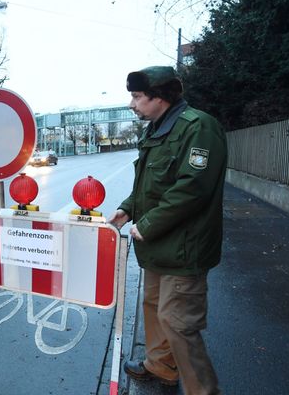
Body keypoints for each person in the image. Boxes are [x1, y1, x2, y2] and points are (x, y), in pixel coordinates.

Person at [107, 66, 226, 395]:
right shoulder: (156, 129)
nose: (132, 104)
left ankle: (202, 390)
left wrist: (147, 223)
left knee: (179, 323)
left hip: (184, 247)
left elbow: (193, 187)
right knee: (154, 307)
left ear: (160, 98)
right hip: (159, 247)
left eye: (137, 97)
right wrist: (128, 208)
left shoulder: (198, 127)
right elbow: (147, 184)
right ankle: (161, 366)